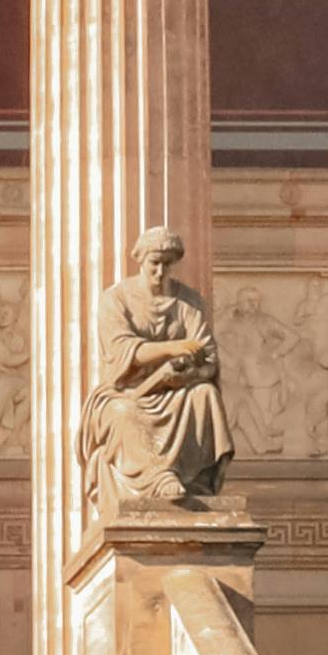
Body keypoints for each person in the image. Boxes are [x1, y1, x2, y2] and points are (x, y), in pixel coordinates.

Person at [85, 221, 238, 517]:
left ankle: (195, 478)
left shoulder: (189, 302)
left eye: (168, 265)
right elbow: (121, 350)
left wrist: (186, 374)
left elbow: (208, 359)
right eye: (155, 263)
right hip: (125, 393)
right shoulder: (115, 300)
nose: (161, 272)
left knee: (205, 395)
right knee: (120, 413)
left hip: (176, 391)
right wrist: (173, 348)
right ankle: (159, 477)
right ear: (140, 260)